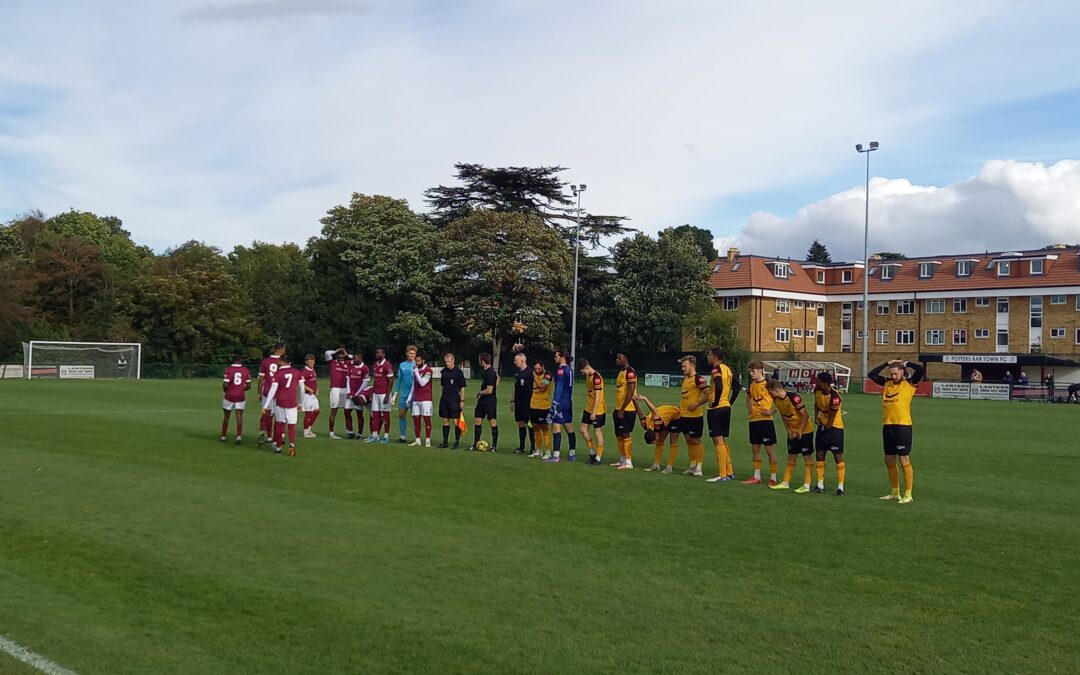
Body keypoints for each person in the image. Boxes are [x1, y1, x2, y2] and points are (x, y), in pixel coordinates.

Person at [868, 359, 924, 505]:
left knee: (904, 459)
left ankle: (908, 494)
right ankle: (894, 492)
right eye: (891, 374)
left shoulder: (910, 384)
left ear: (902, 373)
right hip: (888, 426)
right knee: (889, 460)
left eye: (895, 373)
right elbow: (871, 374)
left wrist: (906, 363)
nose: (893, 377)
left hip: (903, 427)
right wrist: (887, 363)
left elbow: (920, 370)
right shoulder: (887, 383)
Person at [767, 379, 815, 494]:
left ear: (777, 390)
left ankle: (807, 485)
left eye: (770, 392)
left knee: (807, 457)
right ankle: (785, 483)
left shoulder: (794, 398)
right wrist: (788, 430)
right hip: (792, 432)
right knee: (791, 456)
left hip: (805, 430)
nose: (769, 394)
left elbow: (805, 415)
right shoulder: (776, 399)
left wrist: (800, 430)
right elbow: (784, 415)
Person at [705, 347, 740, 483]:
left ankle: (722, 474)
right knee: (723, 440)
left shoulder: (716, 369)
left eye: (709, 355)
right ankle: (729, 472)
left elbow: (718, 387)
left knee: (717, 440)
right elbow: (737, 387)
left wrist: (716, 402)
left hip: (717, 409)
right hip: (726, 407)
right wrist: (729, 402)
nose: (708, 357)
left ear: (715, 357)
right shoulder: (728, 369)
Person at [671, 355, 709, 477]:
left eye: (685, 366)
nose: (683, 369)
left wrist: (696, 404)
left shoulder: (698, 379)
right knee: (688, 440)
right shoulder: (686, 379)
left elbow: (708, 394)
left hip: (695, 417)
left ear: (692, 365)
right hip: (684, 416)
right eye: (682, 366)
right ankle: (692, 466)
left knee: (696, 440)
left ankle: (699, 467)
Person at [742, 360, 779, 485]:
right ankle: (756, 476)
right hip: (754, 420)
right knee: (755, 448)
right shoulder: (752, 385)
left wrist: (771, 412)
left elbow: (781, 400)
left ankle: (773, 478)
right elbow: (747, 397)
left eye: (753, 371)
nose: (751, 374)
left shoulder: (769, 384)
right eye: (750, 372)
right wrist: (749, 409)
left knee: (769, 450)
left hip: (766, 421)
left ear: (760, 370)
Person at [812, 371, 846, 496]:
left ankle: (840, 487)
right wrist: (816, 417)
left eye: (818, 381)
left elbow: (831, 421)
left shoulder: (835, 397)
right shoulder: (817, 390)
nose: (816, 383)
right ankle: (820, 485)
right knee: (820, 455)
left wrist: (824, 427)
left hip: (835, 428)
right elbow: (816, 403)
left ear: (825, 383)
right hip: (822, 425)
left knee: (837, 457)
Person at [263, 354, 303, 456]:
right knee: (291, 425)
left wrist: (266, 404)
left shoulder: (278, 373)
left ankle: (278, 447)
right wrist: (301, 403)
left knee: (280, 424)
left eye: (279, 360)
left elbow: (273, 389)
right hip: (292, 402)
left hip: (280, 401)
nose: (277, 362)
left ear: (282, 361)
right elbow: (302, 389)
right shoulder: (297, 372)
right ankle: (292, 446)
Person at [633, 394, 682, 473]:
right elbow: (640, 413)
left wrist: (645, 398)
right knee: (660, 442)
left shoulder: (657, 424)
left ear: (655, 434)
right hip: (665, 418)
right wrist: (634, 401)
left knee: (673, 442)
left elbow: (653, 410)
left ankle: (669, 467)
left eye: (654, 440)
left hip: (676, 415)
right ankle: (656, 465)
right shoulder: (645, 425)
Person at [547, 349, 577, 462]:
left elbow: (559, 387)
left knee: (555, 427)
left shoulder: (561, 370)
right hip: (568, 401)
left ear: (562, 357)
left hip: (560, 402)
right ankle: (572, 453)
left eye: (556, 356)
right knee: (568, 426)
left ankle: (556, 456)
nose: (555, 358)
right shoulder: (570, 370)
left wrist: (554, 402)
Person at [577, 359, 607, 465]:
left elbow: (598, 397)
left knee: (597, 432)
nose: (582, 374)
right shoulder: (588, 376)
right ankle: (592, 452)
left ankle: (598, 457)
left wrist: (594, 412)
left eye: (582, 371)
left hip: (597, 410)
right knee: (582, 429)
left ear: (587, 368)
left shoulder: (596, 378)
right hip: (588, 408)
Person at [611, 352, 638, 470]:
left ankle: (628, 461)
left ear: (625, 358)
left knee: (626, 434)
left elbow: (630, 391)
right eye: (616, 358)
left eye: (619, 358)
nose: (617, 360)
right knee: (619, 435)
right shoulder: (621, 372)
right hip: (618, 408)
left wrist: (622, 409)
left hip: (627, 409)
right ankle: (622, 459)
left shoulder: (630, 371)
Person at [256, 342, 285, 447]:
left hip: (267, 391)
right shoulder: (282, 362)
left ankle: (264, 433)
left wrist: (259, 393)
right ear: (281, 349)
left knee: (266, 414)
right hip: (279, 392)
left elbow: (261, 378)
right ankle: (279, 436)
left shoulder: (265, 361)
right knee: (279, 416)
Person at [470, 353, 499, 451]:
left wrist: (479, 393)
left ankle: (494, 446)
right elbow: (498, 379)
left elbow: (489, 390)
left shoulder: (490, 373)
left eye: (479, 360)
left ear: (483, 361)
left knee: (492, 421)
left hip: (489, 401)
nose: (479, 362)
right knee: (478, 420)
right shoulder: (485, 372)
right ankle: (475, 444)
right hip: (482, 401)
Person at [365, 348, 394, 443]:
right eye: (376, 352)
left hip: (384, 394)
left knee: (385, 415)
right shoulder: (375, 364)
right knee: (375, 415)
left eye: (379, 353)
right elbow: (376, 380)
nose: (377, 354)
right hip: (376, 393)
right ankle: (374, 435)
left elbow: (391, 381)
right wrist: (373, 392)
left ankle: (386, 436)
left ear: (384, 354)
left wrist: (387, 395)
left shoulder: (387, 365)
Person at [221, 353, 251, 444]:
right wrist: (242, 389)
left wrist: (226, 391)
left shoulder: (229, 370)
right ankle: (238, 436)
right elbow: (249, 386)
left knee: (226, 416)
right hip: (240, 396)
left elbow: (225, 384)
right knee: (239, 416)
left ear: (233, 360)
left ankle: (223, 436)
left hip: (229, 395)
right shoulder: (245, 370)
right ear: (240, 360)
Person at [438, 353, 467, 448]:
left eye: (449, 361)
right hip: (445, 398)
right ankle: (445, 442)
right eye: (446, 362)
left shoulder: (458, 372)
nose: (447, 363)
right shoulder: (443, 372)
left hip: (454, 398)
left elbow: (462, 387)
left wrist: (462, 400)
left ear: (453, 360)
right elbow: (442, 385)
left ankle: (456, 441)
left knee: (455, 420)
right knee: (445, 420)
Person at [529, 360, 554, 459]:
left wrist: (534, 379)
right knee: (535, 428)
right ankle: (538, 450)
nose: (537, 371)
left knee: (545, 429)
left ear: (543, 367)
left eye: (539, 368)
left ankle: (547, 452)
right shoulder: (534, 374)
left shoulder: (548, 376)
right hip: (533, 405)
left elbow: (542, 388)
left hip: (544, 406)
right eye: (535, 369)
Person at [407, 353, 434, 447]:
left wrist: (416, 372)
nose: (417, 363)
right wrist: (409, 398)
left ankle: (427, 440)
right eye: (416, 361)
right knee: (416, 419)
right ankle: (417, 440)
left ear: (423, 361)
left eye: (419, 361)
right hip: (416, 398)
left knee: (427, 419)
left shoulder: (428, 370)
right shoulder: (416, 370)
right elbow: (414, 385)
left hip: (426, 399)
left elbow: (422, 383)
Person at [510, 352, 534, 453]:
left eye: (516, 360)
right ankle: (522, 446)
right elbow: (515, 388)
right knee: (520, 423)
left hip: (528, 403)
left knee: (530, 425)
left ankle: (533, 447)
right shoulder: (517, 374)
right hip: (518, 403)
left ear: (523, 361)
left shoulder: (530, 373)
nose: (514, 362)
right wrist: (512, 401)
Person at [326, 348, 351, 439]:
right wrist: (337, 350)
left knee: (347, 411)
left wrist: (345, 353)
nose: (341, 357)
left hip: (345, 389)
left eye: (342, 356)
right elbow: (327, 353)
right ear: (336, 356)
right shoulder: (332, 362)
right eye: (339, 355)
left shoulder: (347, 363)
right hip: (335, 389)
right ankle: (332, 433)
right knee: (334, 411)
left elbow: (355, 358)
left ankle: (349, 431)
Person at [395, 346, 417, 443]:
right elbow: (399, 380)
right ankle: (402, 436)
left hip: (414, 395)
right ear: (406, 353)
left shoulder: (417, 365)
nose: (412, 355)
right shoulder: (402, 365)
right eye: (410, 353)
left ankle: (417, 437)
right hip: (404, 394)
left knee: (415, 416)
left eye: (413, 353)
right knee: (401, 415)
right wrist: (395, 393)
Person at [345, 352, 370, 440]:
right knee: (347, 412)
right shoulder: (351, 366)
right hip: (350, 394)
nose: (353, 360)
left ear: (360, 359)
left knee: (359, 414)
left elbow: (365, 383)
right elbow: (348, 379)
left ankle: (360, 434)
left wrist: (357, 394)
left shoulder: (365, 368)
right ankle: (350, 432)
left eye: (355, 359)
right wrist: (348, 391)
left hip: (359, 395)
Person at [300, 354, 320, 439]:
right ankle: (306, 431)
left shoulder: (313, 369)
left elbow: (315, 380)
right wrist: (309, 389)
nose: (311, 363)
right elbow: (301, 384)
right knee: (308, 413)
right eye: (310, 362)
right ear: (306, 362)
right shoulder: (304, 371)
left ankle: (309, 428)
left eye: (313, 362)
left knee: (316, 411)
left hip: (313, 395)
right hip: (307, 395)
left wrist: (317, 389)